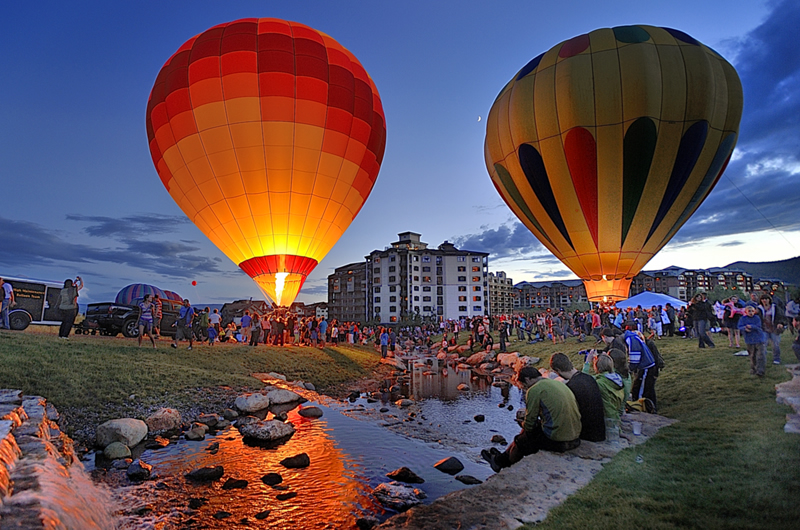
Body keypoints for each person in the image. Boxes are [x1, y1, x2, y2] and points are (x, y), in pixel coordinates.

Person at [481, 367, 581, 472]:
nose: (524, 388)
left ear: (528, 379)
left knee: (523, 440)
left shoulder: (534, 389)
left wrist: (523, 424)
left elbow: (529, 424)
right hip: (575, 435)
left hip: (558, 439)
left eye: (524, 385)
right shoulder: (557, 384)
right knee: (530, 431)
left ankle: (503, 464)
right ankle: (503, 457)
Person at [549, 353, 605, 442]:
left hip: (585, 434)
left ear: (558, 370)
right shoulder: (589, 378)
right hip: (600, 431)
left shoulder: (571, 387)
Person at [583, 351, 625, 423]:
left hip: (605, 419)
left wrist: (587, 362)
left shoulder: (600, 383)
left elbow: (582, 381)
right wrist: (605, 358)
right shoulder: (617, 378)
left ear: (596, 366)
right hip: (615, 415)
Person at [739, 302, 766, 377]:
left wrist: (751, 326)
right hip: (749, 340)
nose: (751, 313)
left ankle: (760, 370)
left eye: (752, 311)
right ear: (746, 312)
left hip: (759, 339)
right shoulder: (743, 319)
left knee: (761, 354)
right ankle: (753, 368)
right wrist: (744, 328)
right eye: (749, 311)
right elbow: (739, 326)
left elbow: (758, 326)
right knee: (752, 355)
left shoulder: (757, 318)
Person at [759, 293, 787, 365]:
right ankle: (762, 359)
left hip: (774, 329)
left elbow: (781, 316)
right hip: (764, 329)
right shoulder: (759, 308)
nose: (764, 301)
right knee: (763, 344)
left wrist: (781, 323)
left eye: (766, 299)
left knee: (775, 345)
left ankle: (776, 358)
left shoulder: (775, 307)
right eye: (763, 299)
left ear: (769, 300)